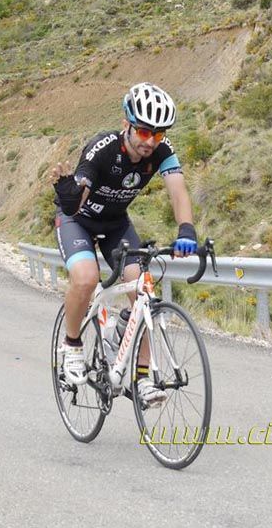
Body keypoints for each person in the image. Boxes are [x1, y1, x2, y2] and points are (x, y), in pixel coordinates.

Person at [49, 82, 198, 408]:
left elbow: (178, 191)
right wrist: (70, 197)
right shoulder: (102, 148)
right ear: (126, 124)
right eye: (143, 132)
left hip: (116, 224)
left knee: (143, 289)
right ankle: (72, 346)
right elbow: (79, 195)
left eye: (157, 134)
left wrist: (186, 230)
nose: (150, 142)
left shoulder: (162, 150)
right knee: (86, 278)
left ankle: (141, 378)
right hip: (78, 221)